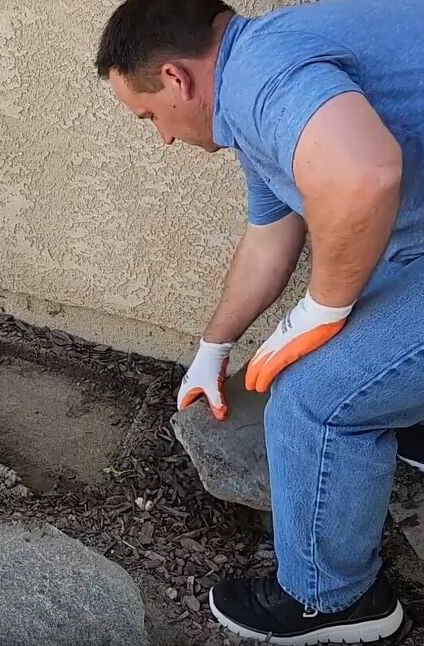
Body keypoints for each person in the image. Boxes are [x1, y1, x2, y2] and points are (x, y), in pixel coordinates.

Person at [95, 0, 424, 643]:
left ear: (176, 78)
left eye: (149, 116)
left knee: (311, 399)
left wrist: (320, 311)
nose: (161, 136)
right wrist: (213, 347)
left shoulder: (264, 76)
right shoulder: (262, 88)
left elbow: (365, 174)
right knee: (374, 280)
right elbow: (270, 241)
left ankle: (333, 602)